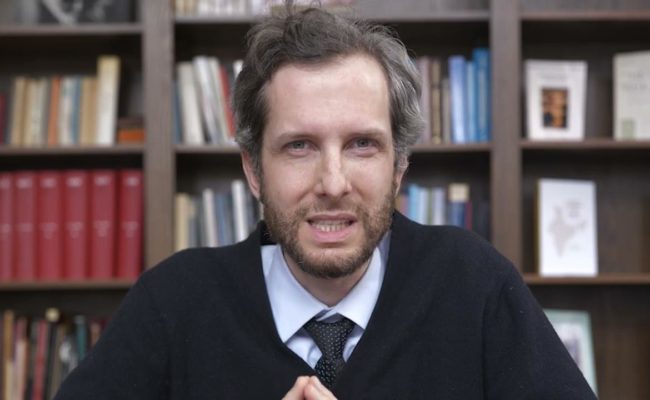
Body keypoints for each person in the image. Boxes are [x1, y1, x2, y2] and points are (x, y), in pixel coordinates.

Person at [55, 4, 597, 400]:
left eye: (362, 144)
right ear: (253, 170)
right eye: (299, 146)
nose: (333, 183)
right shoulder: (173, 302)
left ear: (399, 166)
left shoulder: (473, 283)